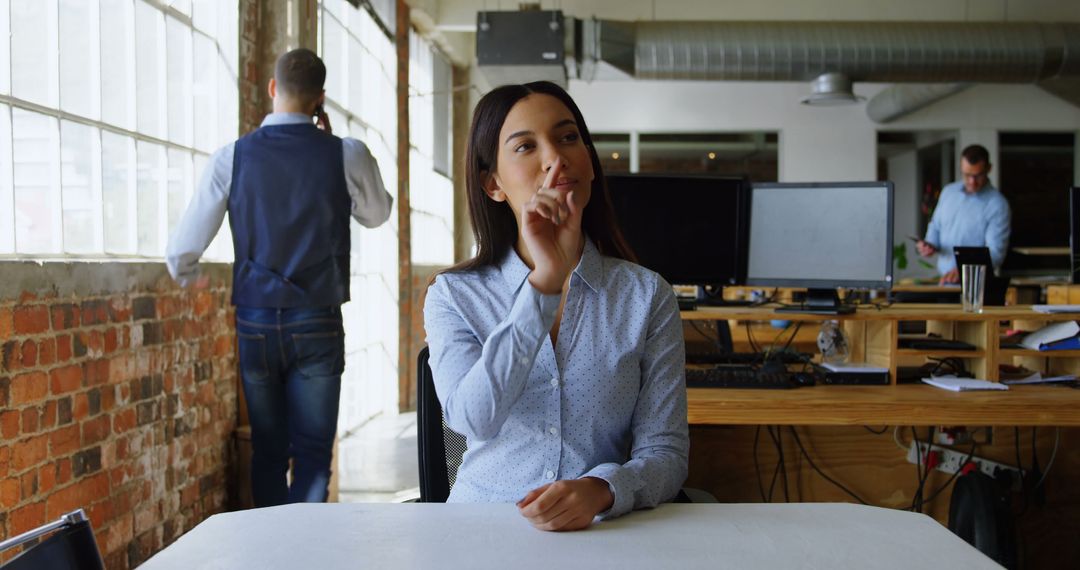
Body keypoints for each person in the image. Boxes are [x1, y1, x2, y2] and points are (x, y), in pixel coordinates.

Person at [422, 81, 689, 532]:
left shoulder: (647, 296)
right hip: (481, 528)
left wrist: (605, 488)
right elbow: (474, 420)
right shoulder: (454, 295)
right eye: (526, 146)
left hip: (603, 529)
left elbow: (666, 453)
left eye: (568, 138)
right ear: (493, 185)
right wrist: (544, 281)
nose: (556, 159)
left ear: (589, 161)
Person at [166, 48, 393, 506]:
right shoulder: (346, 153)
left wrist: (193, 279)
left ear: (273, 89)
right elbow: (376, 214)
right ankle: (306, 552)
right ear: (320, 99)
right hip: (317, 318)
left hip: (255, 319)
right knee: (312, 454)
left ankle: (270, 553)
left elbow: (180, 252)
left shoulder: (232, 156)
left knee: (268, 451)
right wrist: (338, 154)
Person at [917, 144, 1011, 284]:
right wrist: (929, 245)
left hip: (977, 285)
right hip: (944, 283)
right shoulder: (948, 192)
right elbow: (936, 226)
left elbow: (995, 253)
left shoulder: (997, 204)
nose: (972, 182)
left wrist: (964, 269)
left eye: (978, 175)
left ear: (989, 169)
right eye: (967, 175)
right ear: (961, 168)